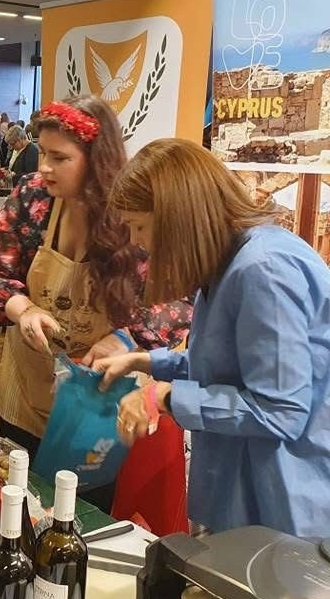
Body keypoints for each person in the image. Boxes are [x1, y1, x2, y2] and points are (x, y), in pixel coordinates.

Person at [93, 138, 330, 538]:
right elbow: (229, 367)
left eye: (140, 226)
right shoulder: (229, 263)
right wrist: (146, 361)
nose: (136, 241)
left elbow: (280, 410)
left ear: (177, 217)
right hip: (241, 493)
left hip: (284, 507)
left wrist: (166, 397)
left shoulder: (264, 270)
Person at [0, 96, 190, 491]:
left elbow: (178, 302)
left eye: (60, 158)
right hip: (27, 384)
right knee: (18, 493)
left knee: (84, 504)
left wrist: (122, 338)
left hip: (96, 395)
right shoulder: (32, 197)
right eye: (42, 152)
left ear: (96, 160)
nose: (44, 166)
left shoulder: (132, 213)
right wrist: (23, 310)